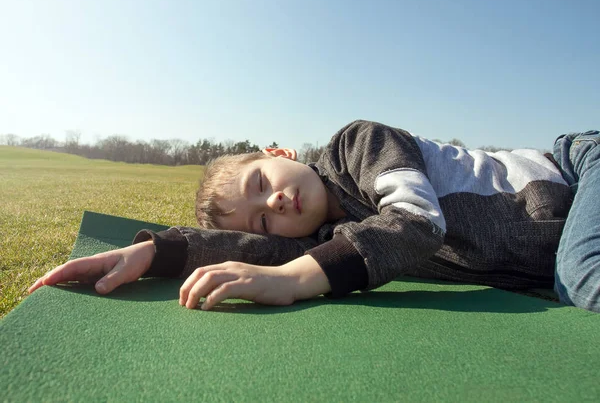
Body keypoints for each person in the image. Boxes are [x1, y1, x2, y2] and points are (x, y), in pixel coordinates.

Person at [28, 120, 600, 313]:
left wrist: (293, 279)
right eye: (262, 220)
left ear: (278, 155)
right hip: (546, 263)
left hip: (580, 172)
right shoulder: (330, 238)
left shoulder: (358, 145)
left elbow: (415, 220)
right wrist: (155, 251)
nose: (274, 205)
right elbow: (250, 251)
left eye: (261, 183)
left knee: (582, 282)